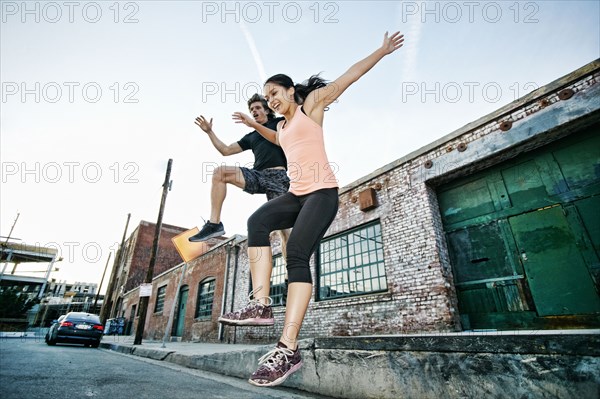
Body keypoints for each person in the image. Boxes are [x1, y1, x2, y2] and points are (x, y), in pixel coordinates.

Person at [221, 31, 405, 387]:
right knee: (257, 221)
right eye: (267, 96)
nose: (271, 99)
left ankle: (288, 348)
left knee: (297, 257)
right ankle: (260, 304)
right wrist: (254, 124)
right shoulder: (284, 126)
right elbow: (277, 138)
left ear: (291, 91)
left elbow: (349, 76)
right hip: (296, 193)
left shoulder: (312, 106)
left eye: (275, 93)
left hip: (321, 194)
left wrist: (381, 51)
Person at [188, 94, 291, 253]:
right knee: (220, 173)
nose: (254, 111)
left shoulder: (279, 123)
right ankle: (214, 224)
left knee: (284, 231)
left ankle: (290, 269)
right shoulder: (251, 136)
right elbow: (226, 150)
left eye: (257, 108)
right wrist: (210, 132)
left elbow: (279, 135)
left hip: (277, 178)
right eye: (251, 109)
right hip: (257, 176)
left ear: (267, 110)